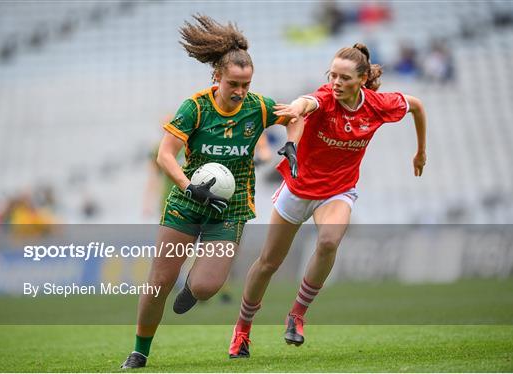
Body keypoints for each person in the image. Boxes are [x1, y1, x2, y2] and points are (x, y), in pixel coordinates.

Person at [121, 15, 302, 369]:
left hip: (230, 210)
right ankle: (140, 350)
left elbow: (296, 115)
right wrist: (189, 187)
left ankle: (192, 289)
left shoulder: (259, 107)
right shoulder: (196, 107)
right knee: (158, 282)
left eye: (246, 84)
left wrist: (291, 144)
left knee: (206, 288)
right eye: (234, 83)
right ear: (216, 77)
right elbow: (164, 155)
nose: (240, 91)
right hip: (187, 204)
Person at [228, 43, 427, 358]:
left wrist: (420, 151)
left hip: (338, 191)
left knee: (329, 241)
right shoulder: (323, 98)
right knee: (269, 263)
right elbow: (306, 103)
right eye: (332, 75)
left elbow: (416, 105)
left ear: (362, 79)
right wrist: (295, 109)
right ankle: (242, 330)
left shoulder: (378, 105)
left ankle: (297, 314)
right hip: (297, 188)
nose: (336, 83)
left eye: (344, 78)